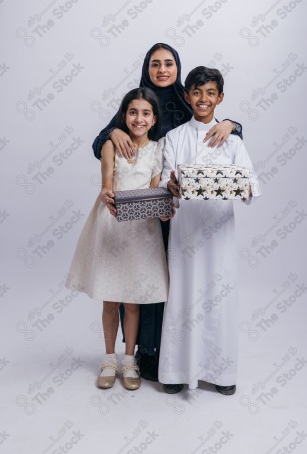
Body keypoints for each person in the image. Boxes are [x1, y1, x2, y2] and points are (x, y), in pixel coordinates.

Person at [92, 43, 243, 382]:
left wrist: (232, 123)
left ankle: (179, 354)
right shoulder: (139, 100)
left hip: (176, 210)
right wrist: (113, 130)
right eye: (155, 63)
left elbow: (212, 124)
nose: (162, 69)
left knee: (171, 285)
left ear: (178, 67)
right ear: (147, 67)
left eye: (169, 63)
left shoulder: (187, 99)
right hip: (140, 211)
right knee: (141, 283)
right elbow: (101, 144)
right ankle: (144, 353)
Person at [158, 66, 261, 394]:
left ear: (220, 97)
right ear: (187, 95)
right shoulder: (175, 137)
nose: (203, 99)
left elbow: (251, 183)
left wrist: (241, 186)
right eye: (197, 92)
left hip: (218, 233)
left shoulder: (231, 139)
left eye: (210, 93)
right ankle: (175, 372)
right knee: (183, 297)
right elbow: (164, 177)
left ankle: (221, 373)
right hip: (185, 230)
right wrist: (170, 184)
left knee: (219, 298)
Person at [66, 87, 171, 391]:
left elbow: (154, 188)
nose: (139, 118)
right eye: (133, 112)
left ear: (154, 119)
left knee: (133, 300)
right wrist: (106, 193)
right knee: (111, 300)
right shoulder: (112, 144)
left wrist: (162, 210)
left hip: (142, 231)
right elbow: (107, 183)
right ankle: (109, 358)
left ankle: (129, 361)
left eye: (146, 113)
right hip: (112, 224)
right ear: (124, 115)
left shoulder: (157, 149)